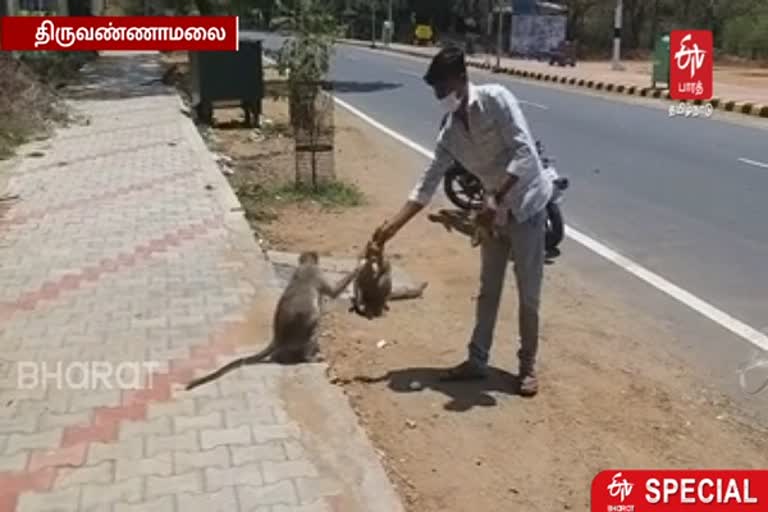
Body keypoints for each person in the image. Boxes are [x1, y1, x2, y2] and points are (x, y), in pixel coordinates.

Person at [370, 46, 552, 397]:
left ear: (461, 79)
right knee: (488, 291)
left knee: (529, 296)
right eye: (435, 90)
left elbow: (525, 152)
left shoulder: (497, 100)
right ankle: (477, 360)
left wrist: (496, 196)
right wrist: (391, 227)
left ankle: (527, 366)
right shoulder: (450, 133)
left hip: (527, 207)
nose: (439, 95)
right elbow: (427, 183)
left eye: (442, 87)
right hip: (492, 215)